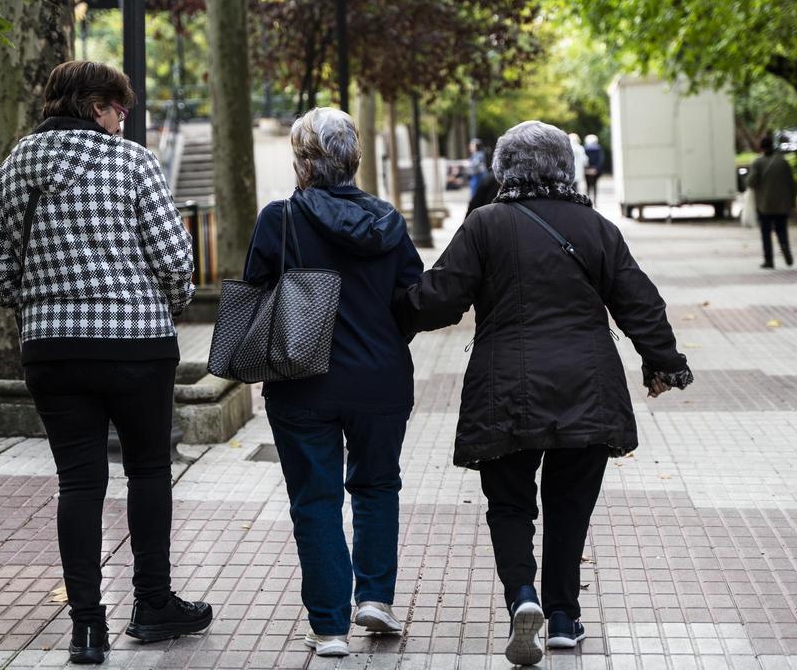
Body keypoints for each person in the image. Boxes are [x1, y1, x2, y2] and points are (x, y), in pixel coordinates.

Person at [394, 121, 692, 666]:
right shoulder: (597, 227)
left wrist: (391, 307)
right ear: (566, 167)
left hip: (503, 388)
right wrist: (664, 362)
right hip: (588, 386)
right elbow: (639, 301)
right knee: (569, 507)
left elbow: (439, 300)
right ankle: (561, 616)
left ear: (503, 169)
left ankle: (522, 597)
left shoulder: (485, 225)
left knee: (508, 504)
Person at [0, 61, 209, 664]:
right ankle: (153, 604)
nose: (123, 118)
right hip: (138, 344)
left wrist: (42, 308)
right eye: (119, 107)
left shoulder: (15, 166)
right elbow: (172, 257)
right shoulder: (131, 162)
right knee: (149, 469)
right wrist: (171, 304)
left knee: (79, 481)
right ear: (96, 106)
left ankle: (87, 627)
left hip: (53, 351)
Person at [243, 107, 423, 658]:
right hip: (380, 380)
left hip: (303, 381)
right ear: (355, 159)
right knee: (377, 485)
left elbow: (255, 291)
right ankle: (375, 598)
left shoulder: (280, 220)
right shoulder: (387, 221)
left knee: (315, 498)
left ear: (302, 162)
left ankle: (328, 627)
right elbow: (412, 298)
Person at [748, 135, 797, 268]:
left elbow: (751, 182)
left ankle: (769, 260)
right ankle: (785, 246)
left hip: (765, 204)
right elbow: (792, 183)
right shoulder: (783, 162)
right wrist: (792, 202)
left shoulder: (758, 163)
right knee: (781, 229)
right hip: (783, 204)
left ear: (761, 148)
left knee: (766, 233)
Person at [583, 134, 604, 204]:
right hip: (596, 170)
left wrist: (586, 168)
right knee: (595, 185)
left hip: (587, 169)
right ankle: (595, 201)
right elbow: (601, 159)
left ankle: (588, 200)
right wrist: (596, 168)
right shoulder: (599, 148)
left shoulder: (585, 148)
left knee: (588, 185)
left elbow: (584, 160)